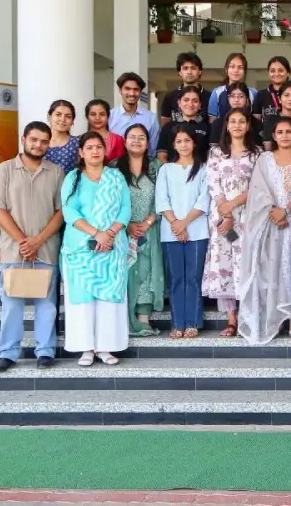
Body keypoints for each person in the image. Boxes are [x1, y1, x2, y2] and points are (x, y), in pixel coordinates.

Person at [0, 122, 65, 372]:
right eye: (34, 140)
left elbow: (61, 212)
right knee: (12, 304)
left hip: (46, 249)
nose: (39, 145)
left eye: (44, 141)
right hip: (14, 250)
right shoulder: (6, 169)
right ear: (24, 139)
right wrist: (24, 242)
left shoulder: (55, 172)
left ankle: (45, 351)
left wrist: (38, 240)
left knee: (47, 305)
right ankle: (8, 352)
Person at [239, 117, 291, 343]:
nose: (284, 135)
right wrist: (274, 211)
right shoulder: (265, 159)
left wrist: (287, 210)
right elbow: (258, 189)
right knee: (274, 268)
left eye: (289, 131)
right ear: (273, 136)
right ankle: (276, 317)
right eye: (280, 132)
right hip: (270, 220)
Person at [60, 132, 131, 366]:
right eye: (89, 147)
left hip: (111, 247)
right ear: (81, 152)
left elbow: (125, 209)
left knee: (108, 300)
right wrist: (96, 233)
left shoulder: (116, 177)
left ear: (105, 150)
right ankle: (86, 348)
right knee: (83, 300)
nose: (94, 151)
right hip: (80, 249)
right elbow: (69, 212)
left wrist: (109, 234)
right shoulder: (73, 178)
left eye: (98, 147)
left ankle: (105, 347)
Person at [203, 109, 260, 337]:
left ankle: (249, 315)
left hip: (247, 215)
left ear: (248, 126)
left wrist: (233, 205)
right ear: (226, 126)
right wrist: (225, 211)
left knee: (246, 263)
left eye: (241, 121)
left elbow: (258, 185)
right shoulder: (216, 152)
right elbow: (213, 182)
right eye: (232, 121)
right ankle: (231, 318)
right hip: (221, 217)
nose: (237, 125)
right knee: (225, 263)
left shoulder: (256, 154)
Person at [155, 126, 210, 339]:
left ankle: (193, 322)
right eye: (179, 141)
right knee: (176, 278)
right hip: (170, 232)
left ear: (194, 143)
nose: (184, 145)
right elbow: (162, 199)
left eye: (187, 140)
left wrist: (184, 223)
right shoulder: (166, 169)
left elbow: (204, 200)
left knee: (194, 278)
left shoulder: (203, 169)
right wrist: (175, 224)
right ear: (173, 145)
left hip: (197, 231)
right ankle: (177, 323)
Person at [110, 124, 163, 337]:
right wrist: (127, 224)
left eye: (142, 138)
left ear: (148, 143)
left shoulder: (156, 166)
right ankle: (124, 316)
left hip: (150, 228)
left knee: (147, 272)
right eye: (132, 137)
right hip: (122, 230)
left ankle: (143, 317)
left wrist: (149, 220)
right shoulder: (113, 168)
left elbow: (164, 195)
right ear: (124, 141)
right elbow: (110, 201)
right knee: (126, 270)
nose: (137, 141)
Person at [251, 56, 291, 129]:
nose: (276, 74)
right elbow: (256, 122)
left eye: (280, 70)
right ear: (268, 73)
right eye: (272, 71)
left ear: (288, 73)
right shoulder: (261, 95)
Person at [109, 72, 160, 157]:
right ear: (120, 90)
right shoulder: (109, 117)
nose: (132, 93)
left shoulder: (151, 118)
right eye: (127, 89)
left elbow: (153, 149)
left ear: (140, 92)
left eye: (136, 89)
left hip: (143, 167)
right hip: (114, 167)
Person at [157, 86, 210, 162]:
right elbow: (161, 155)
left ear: (200, 105)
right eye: (186, 100)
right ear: (179, 103)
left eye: (195, 101)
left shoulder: (208, 127)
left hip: (201, 172)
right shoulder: (168, 127)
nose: (190, 104)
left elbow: (210, 156)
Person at [258, 79, 291, 152]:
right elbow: (268, 150)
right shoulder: (271, 120)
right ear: (279, 99)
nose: (290, 99)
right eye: (286, 95)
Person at [160, 52, 210, 125]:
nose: (189, 72)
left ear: (200, 71)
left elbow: (213, 125)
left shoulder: (210, 97)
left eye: (193, 68)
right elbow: (165, 125)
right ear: (180, 72)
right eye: (185, 68)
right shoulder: (170, 96)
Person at [207, 53, 259, 122]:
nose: (236, 70)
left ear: (244, 71)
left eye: (240, 67)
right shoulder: (217, 93)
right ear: (226, 70)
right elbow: (212, 121)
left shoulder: (253, 93)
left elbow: (256, 121)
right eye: (232, 66)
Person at [44, 100, 80, 173]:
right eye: (58, 115)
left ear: (72, 121)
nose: (63, 119)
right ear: (49, 117)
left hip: (69, 183)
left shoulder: (77, 143)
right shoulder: (39, 141)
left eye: (68, 116)